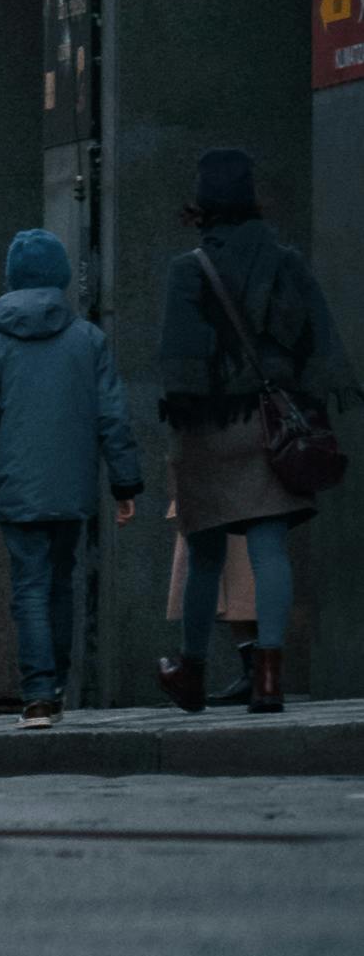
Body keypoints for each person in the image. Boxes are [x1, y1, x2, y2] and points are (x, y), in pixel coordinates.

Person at [154, 143, 355, 716]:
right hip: (273, 424)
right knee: (269, 550)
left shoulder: (188, 269)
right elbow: (318, 338)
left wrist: (191, 410)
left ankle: (191, 671)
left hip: (211, 428)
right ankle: (268, 679)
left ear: (203, 203)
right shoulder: (285, 261)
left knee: (205, 553)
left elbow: (178, 361)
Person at [0, 225, 144, 727]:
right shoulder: (89, 340)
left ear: (12, 280)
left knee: (30, 587)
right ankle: (55, 686)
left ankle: (38, 695)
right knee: (61, 582)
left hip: (14, 486)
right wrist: (124, 484)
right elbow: (113, 417)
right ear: (61, 276)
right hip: (71, 486)